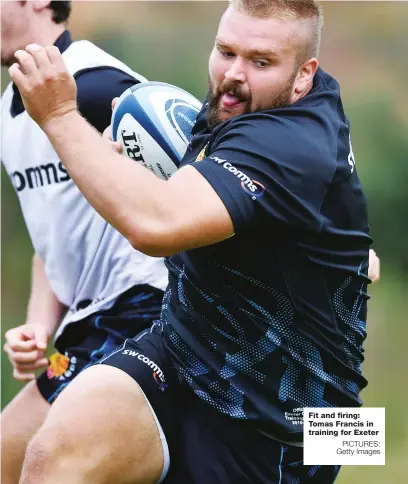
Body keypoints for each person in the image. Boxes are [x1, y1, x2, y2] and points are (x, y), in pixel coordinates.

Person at [10, 0, 373, 482]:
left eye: (260, 62)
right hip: (179, 354)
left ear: (304, 73)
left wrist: (58, 115)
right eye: (226, 52)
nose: (233, 75)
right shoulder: (234, 105)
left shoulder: (294, 141)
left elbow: (155, 227)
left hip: (284, 420)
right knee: (51, 460)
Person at [0, 2, 167, 483]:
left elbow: (200, 164)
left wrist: (315, 237)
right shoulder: (12, 113)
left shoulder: (95, 85)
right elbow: (50, 237)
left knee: (48, 468)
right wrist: (37, 326)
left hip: (142, 314)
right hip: (78, 335)